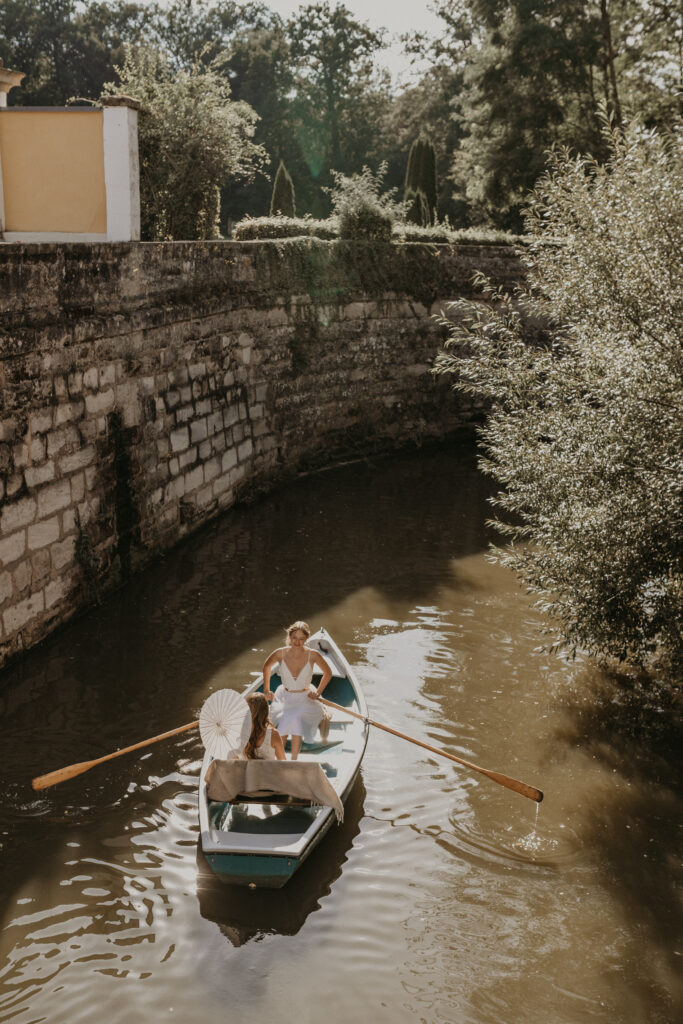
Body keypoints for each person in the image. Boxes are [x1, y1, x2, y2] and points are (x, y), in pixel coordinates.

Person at [262, 621, 332, 760]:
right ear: (290, 636)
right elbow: (266, 667)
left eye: (301, 639)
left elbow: (328, 673)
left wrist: (317, 693)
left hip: (305, 697)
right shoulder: (279, 653)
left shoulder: (313, 655)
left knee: (295, 721)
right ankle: (282, 760)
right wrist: (266, 689)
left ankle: (292, 760)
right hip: (284, 697)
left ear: (306, 639)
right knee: (286, 723)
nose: (297, 642)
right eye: (294, 638)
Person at [243, 693, 286, 760]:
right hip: (267, 770)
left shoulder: (238, 733)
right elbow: (283, 762)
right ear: (266, 711)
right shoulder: (273, 734)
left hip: (243, 770)